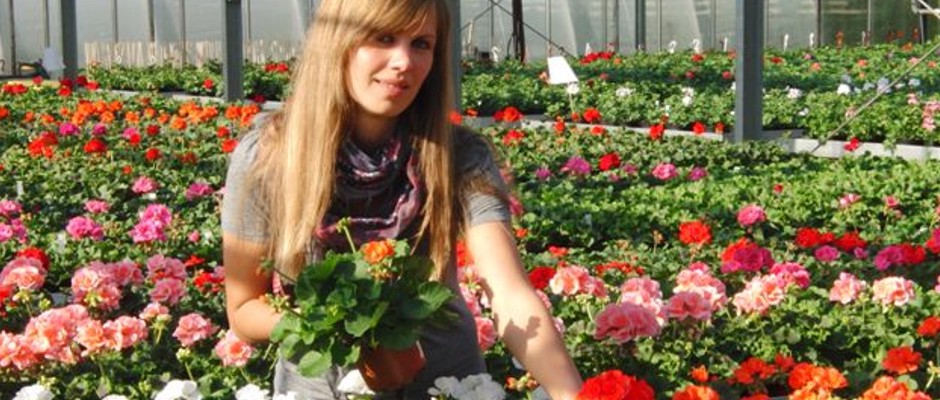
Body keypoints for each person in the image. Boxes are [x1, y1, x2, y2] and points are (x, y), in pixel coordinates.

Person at [220, 0, 583, 399]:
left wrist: (572, 394)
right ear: (337, 42)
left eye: (422, 44)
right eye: (384, 37)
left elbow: (510, 293)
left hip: (446, 387)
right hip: (320, 389)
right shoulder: (270, 156)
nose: (404, 61)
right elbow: (243, 307)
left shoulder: (457, 155)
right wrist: (341, 324)